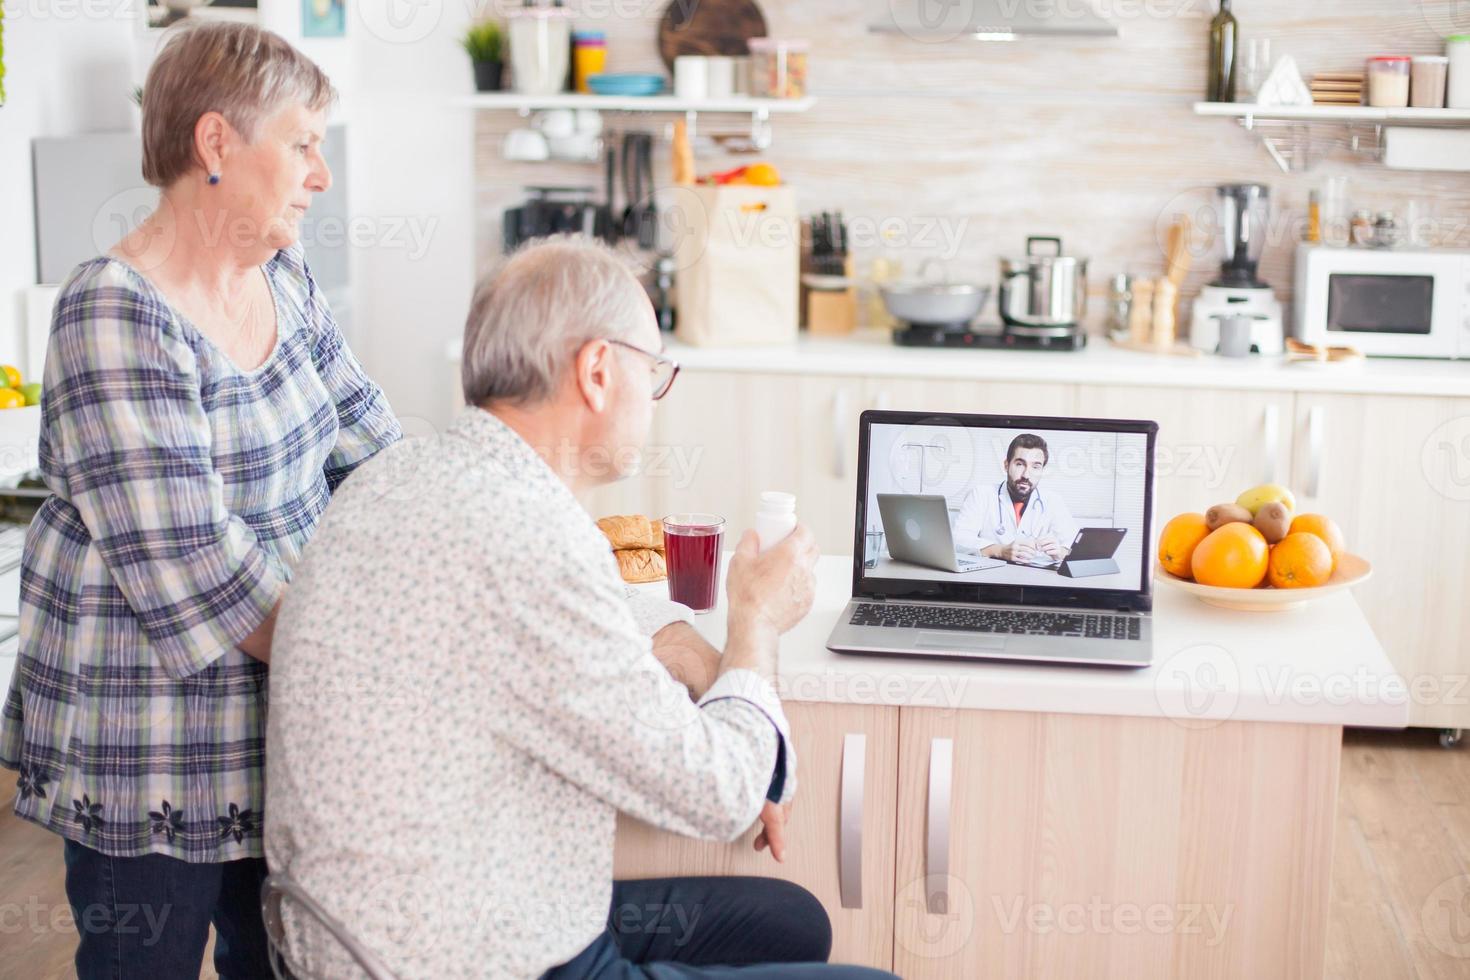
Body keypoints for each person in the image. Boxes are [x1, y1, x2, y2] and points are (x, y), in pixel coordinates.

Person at [264, 237, 898, 980]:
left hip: (377, 926)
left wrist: (683, 644)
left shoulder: (405, 473)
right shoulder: (531, 538)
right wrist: (754, 620)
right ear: (598, 373)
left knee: (792, 921)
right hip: (468, 957)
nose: (654, 398)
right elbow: (726, 793)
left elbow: (556, 596)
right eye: (653, 372)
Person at [0, 23, 400, 978]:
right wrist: (387, 654)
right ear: (216, 144)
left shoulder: (284, 276)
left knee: (289, 959)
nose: (321, 172)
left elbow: (370, 443)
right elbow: (198, 567)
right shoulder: (113, 312)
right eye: (303, 143)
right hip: (150, 751)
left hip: (280, 718)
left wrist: (468, 539)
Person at [954, 432, 1077, 563]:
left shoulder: (1053, 501)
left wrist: (1061, 552)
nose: (1026, 475)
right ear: (1006, 465)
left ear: (1042, 470)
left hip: (1036, 579)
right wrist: (1000, 551)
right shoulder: (981, 494)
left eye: (1035, 466)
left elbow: (1075, 546)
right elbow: (957, 540)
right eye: (1020, 464)